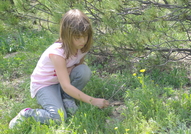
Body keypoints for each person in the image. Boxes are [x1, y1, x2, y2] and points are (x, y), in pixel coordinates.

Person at [9, 9, 109, 128]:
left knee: (83, 70)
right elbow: (66, 85)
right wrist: (92, 100)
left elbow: (77, 66)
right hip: (44, 85)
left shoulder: (82, 47)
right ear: (67, 35)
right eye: (78, 38)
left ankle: (67, 99)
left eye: (85, 36)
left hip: (60, 81)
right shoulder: (57, 53)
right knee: (58, 117)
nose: (82, 41)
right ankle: (27, 114)